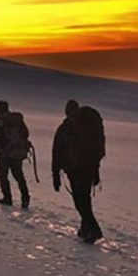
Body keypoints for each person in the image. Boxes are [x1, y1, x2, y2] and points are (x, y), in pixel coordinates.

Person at [52, 99, 105, 243]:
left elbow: (57, 152)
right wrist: (95, 172)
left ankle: (94, 229)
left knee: (79, 201)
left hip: (75, 170)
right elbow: (96, 152)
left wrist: (55, 174)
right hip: (89, 168)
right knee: (85, 198)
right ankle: (85, 229)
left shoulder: (65, 128)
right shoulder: (89, 126)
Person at [0, 100, 32, 208]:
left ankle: (7, 198)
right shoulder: (17, 120)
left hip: (4, 153)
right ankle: (25, 198)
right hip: (17, 152)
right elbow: (26, 133)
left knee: (3, 175)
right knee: (19, 175)